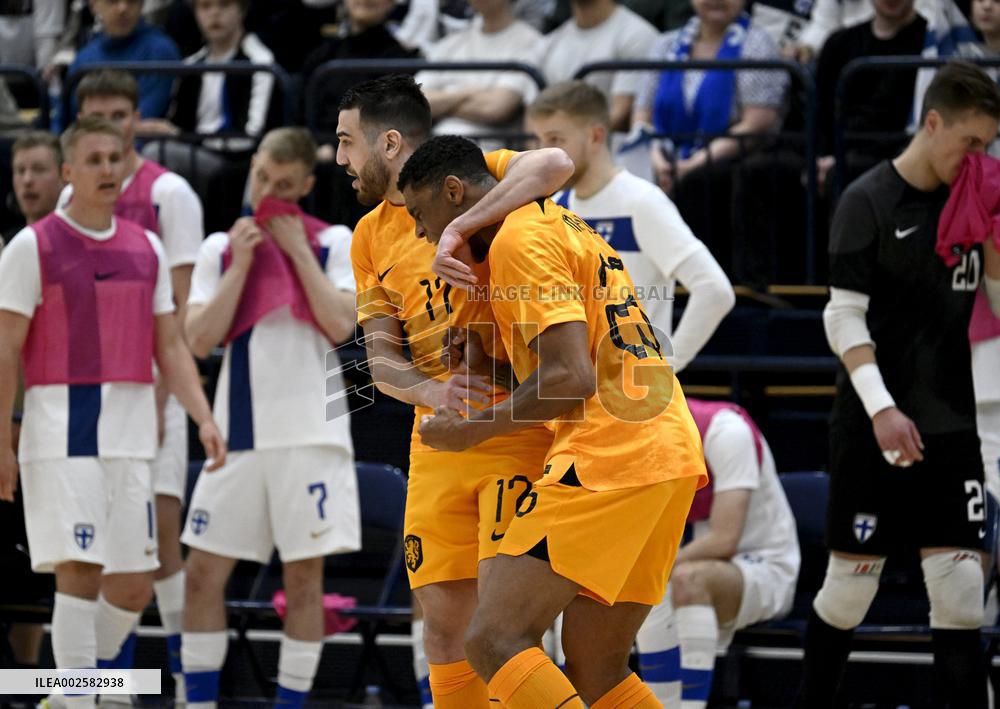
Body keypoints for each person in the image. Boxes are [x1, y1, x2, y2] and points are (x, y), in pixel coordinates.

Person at [406, 134, 707, 708]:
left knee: (494, 640)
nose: (422, 234)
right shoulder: (563, 223)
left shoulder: (519, 239)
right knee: (597, 670)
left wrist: (469, 429)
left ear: (453, 191)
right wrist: (487, 362)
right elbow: (579, 360)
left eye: (421, 215)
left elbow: (571, 379)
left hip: (611, 453)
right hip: (665, 449)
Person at [336, 74, 573, 708]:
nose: (339, 159)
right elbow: (382, 362)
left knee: (509, 630)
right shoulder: (366, 237)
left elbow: (557, 160)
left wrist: (456, 228)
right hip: (438, 437)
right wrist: (433, 395)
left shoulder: (476, 170)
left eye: (346, 142)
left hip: (517, 429)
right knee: (443, 626)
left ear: (388, 143)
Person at [0, 114, 225, 709]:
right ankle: (76, 700)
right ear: (69, 172)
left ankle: (64, 689)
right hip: (60, 430)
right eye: (93, 160)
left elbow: (170, 344)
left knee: (130, 585)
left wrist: (202, 415)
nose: (107, 169)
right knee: (79, 571)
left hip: (132, 434)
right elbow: (4, 349)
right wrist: (0, 441)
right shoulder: (33, 245)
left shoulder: (147, 247)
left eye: (115, 158)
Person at [796, 60, 1000, 709]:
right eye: (970, 142)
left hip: (953, 424)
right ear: (932, 122)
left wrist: (994, 238)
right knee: (849, 592)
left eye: (988, 147)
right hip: (870, 424)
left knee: (963, 595)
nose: (978, 158)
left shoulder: (974, 199)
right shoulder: (867, 199)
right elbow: (841, 314)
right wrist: (883, 408)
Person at [180, 126, 360, 709]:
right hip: (238, 438)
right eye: (262, 178)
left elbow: (340, 325)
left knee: (304, 583)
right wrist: (242, 265)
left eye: (284, 185)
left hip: (313, 435)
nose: (270, 193)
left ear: (307, 185)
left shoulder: (335, 240)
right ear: (251, 168)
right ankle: (198, 702)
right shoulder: (218, 248)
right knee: (202, 575)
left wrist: (298, 251)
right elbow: (199, 338)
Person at [57, 69, 205, 699]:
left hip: (150, 393)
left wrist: (167, 399)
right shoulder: (69, 207)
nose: (110, 128)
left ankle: (175, 679)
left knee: (157, 542)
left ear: (136, 119)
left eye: (120, 115)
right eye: (97, 116)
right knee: (84, 556)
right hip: (83, 400)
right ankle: (93, 685)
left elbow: (180, 313)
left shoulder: (170, 193)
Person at [526, 80, 734, 372]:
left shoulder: (641, 201)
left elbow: (715, 290)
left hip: (634, 398)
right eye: (537, 140)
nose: (542, 153)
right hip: (577, 394)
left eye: (555, 139)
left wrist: (667, 366)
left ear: (596, 136)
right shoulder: (553, 207)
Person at [635, 398, 800, 707]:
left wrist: (648, 567)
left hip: (764, 566)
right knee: (635, 583)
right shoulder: (656, 443)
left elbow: (724, 540)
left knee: (683, 578)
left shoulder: (728, 433)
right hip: (693, 565)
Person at [0, 130, 64, 676]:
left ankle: (39, 683)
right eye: (19, 171)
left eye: (38, 169)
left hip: (53, 432)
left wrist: (17, 420)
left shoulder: (75, 247)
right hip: (11, 432)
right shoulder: (9, 246)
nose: (26, 181)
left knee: (47, 572)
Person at [814, 0, 927, 194]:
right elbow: (821, 111)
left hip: (900, 152)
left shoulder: (929, 43)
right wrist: (821, 157)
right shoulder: (840, 43)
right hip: (842, 151)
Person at [417, 0, 544, 151]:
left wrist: (442, 102)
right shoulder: (452, 42)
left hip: (490, 155)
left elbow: (496, 108)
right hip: (435, 148)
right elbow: (413, 100)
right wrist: (469, 94)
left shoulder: (531, 42)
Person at [540, 0, 658, 130]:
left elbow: (618, 113)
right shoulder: (549, 43)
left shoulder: (638, 35)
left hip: (610, 147)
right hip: (556, 144)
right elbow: (536, 114)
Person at [67, 0, 181, 123]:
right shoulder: (83, 58)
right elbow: (67, 121)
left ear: (142, 4)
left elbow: (148, 115)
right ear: (93, 4)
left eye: (131, 1)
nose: (123, 8)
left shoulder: (161, 51)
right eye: (113, 1)